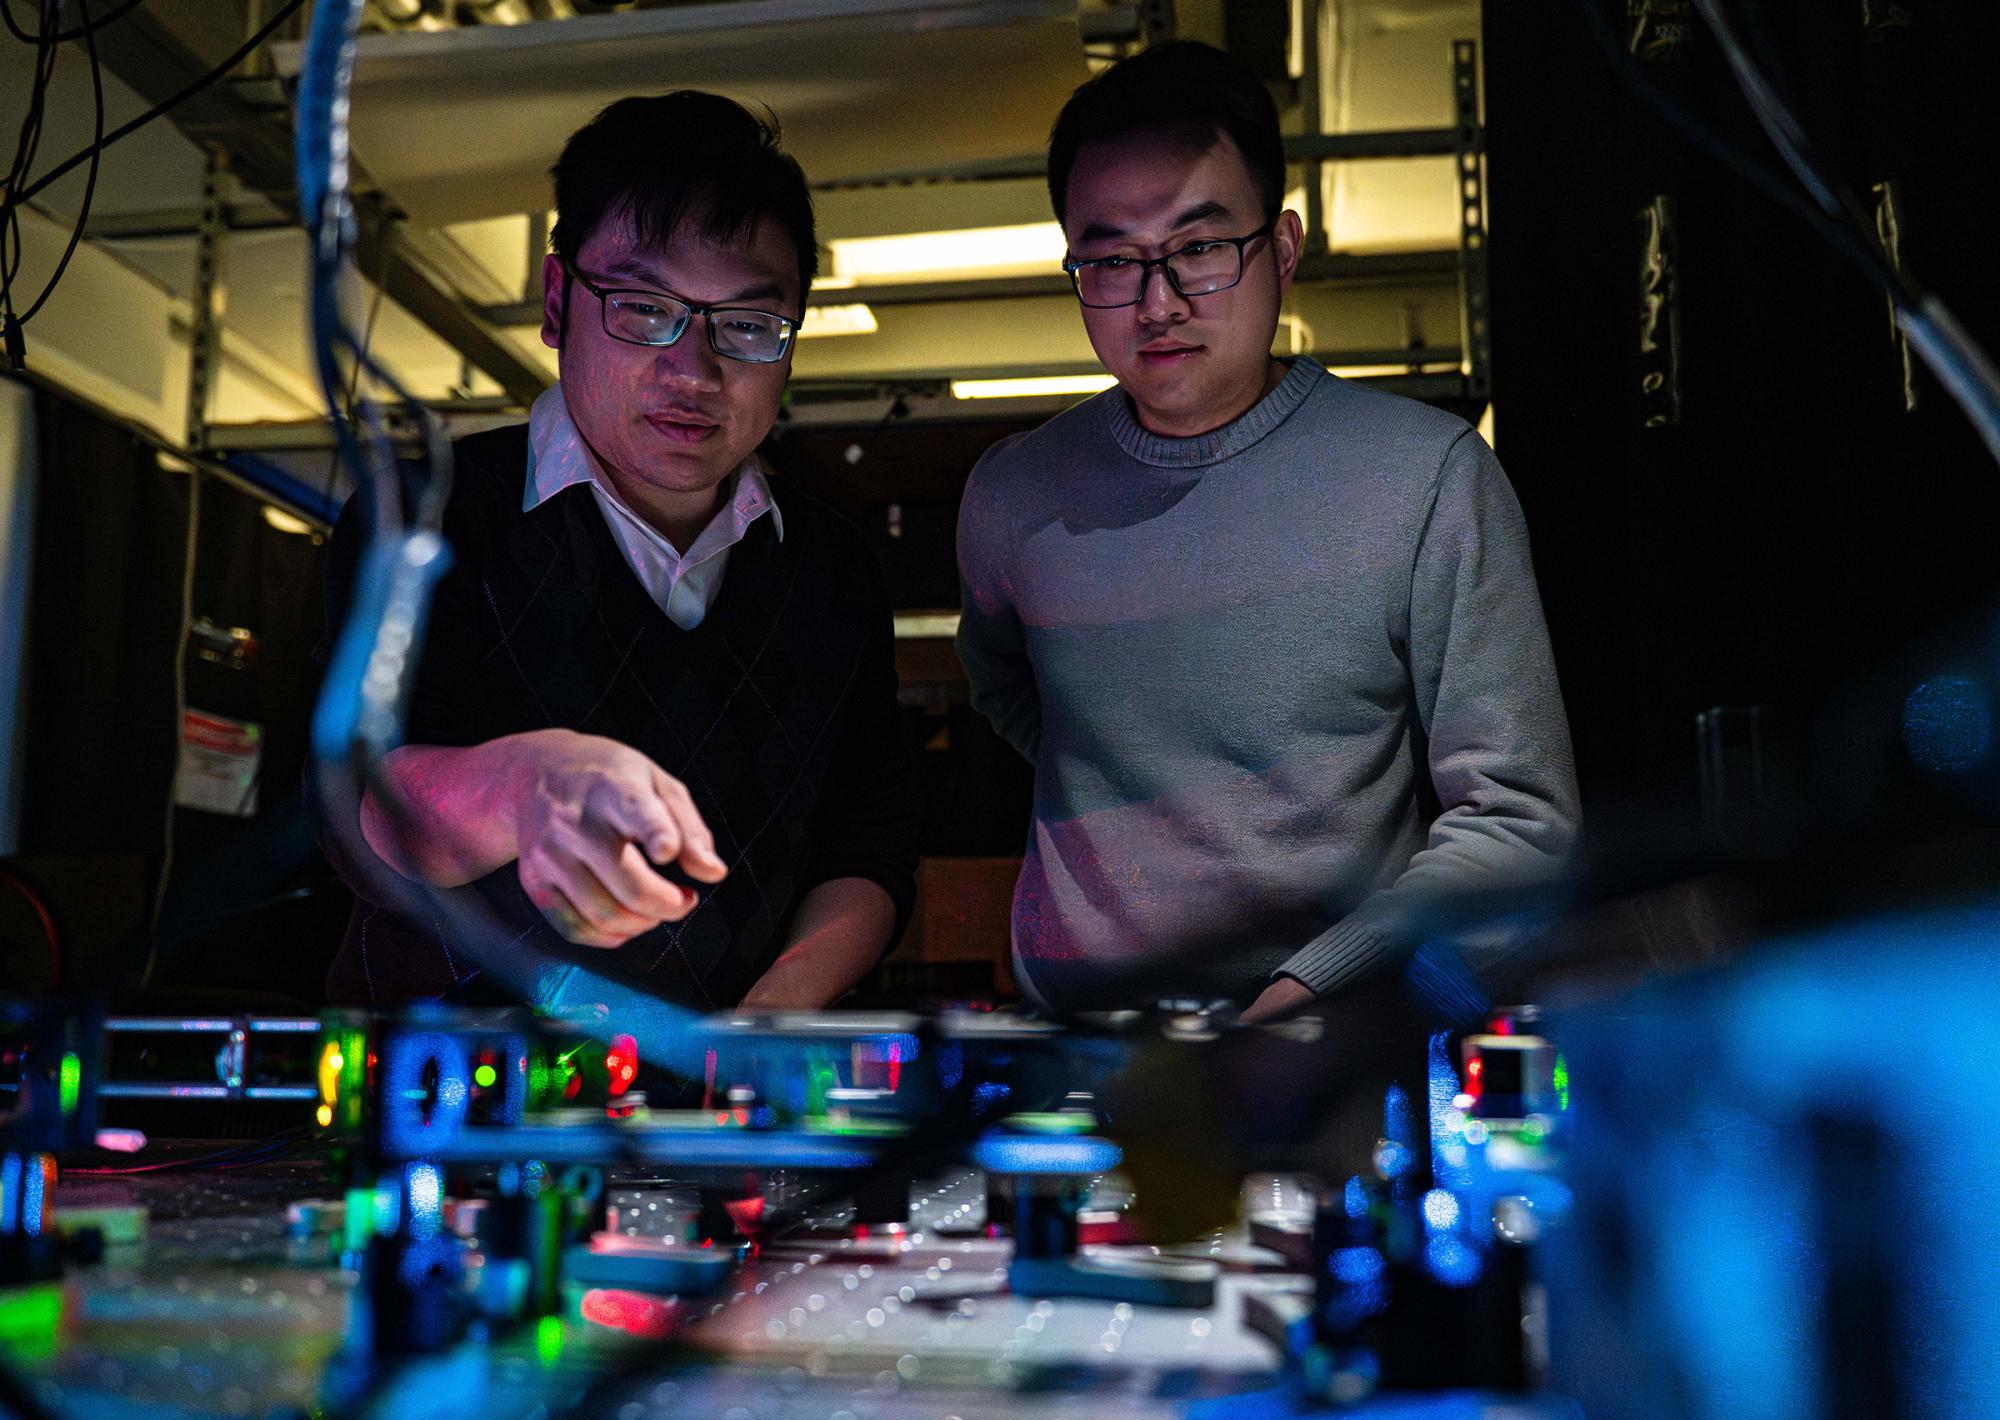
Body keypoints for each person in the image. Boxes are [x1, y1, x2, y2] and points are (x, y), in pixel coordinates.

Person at [955, 42, 1579, 1025]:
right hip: (1078, 1046)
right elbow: (1010, 693)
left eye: (1199, 248)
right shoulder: (1012, 495)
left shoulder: (1424, 477)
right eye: (1111, 260)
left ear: (1282, 248)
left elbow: (1519, 818)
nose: (1156, 302)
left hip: (1335, 1034)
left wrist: (1306, 989)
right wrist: (1146, 784)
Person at [318, 92, 918, 1013]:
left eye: (749, 325)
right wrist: (525, 784)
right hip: (449, 1090)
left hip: (723, 1106)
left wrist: (764, 1025)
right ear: (560, 302)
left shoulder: (830, 571)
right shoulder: (429, 518)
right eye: (645, 309)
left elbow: (864, 849)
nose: (695, 370)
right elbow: (368, 812)